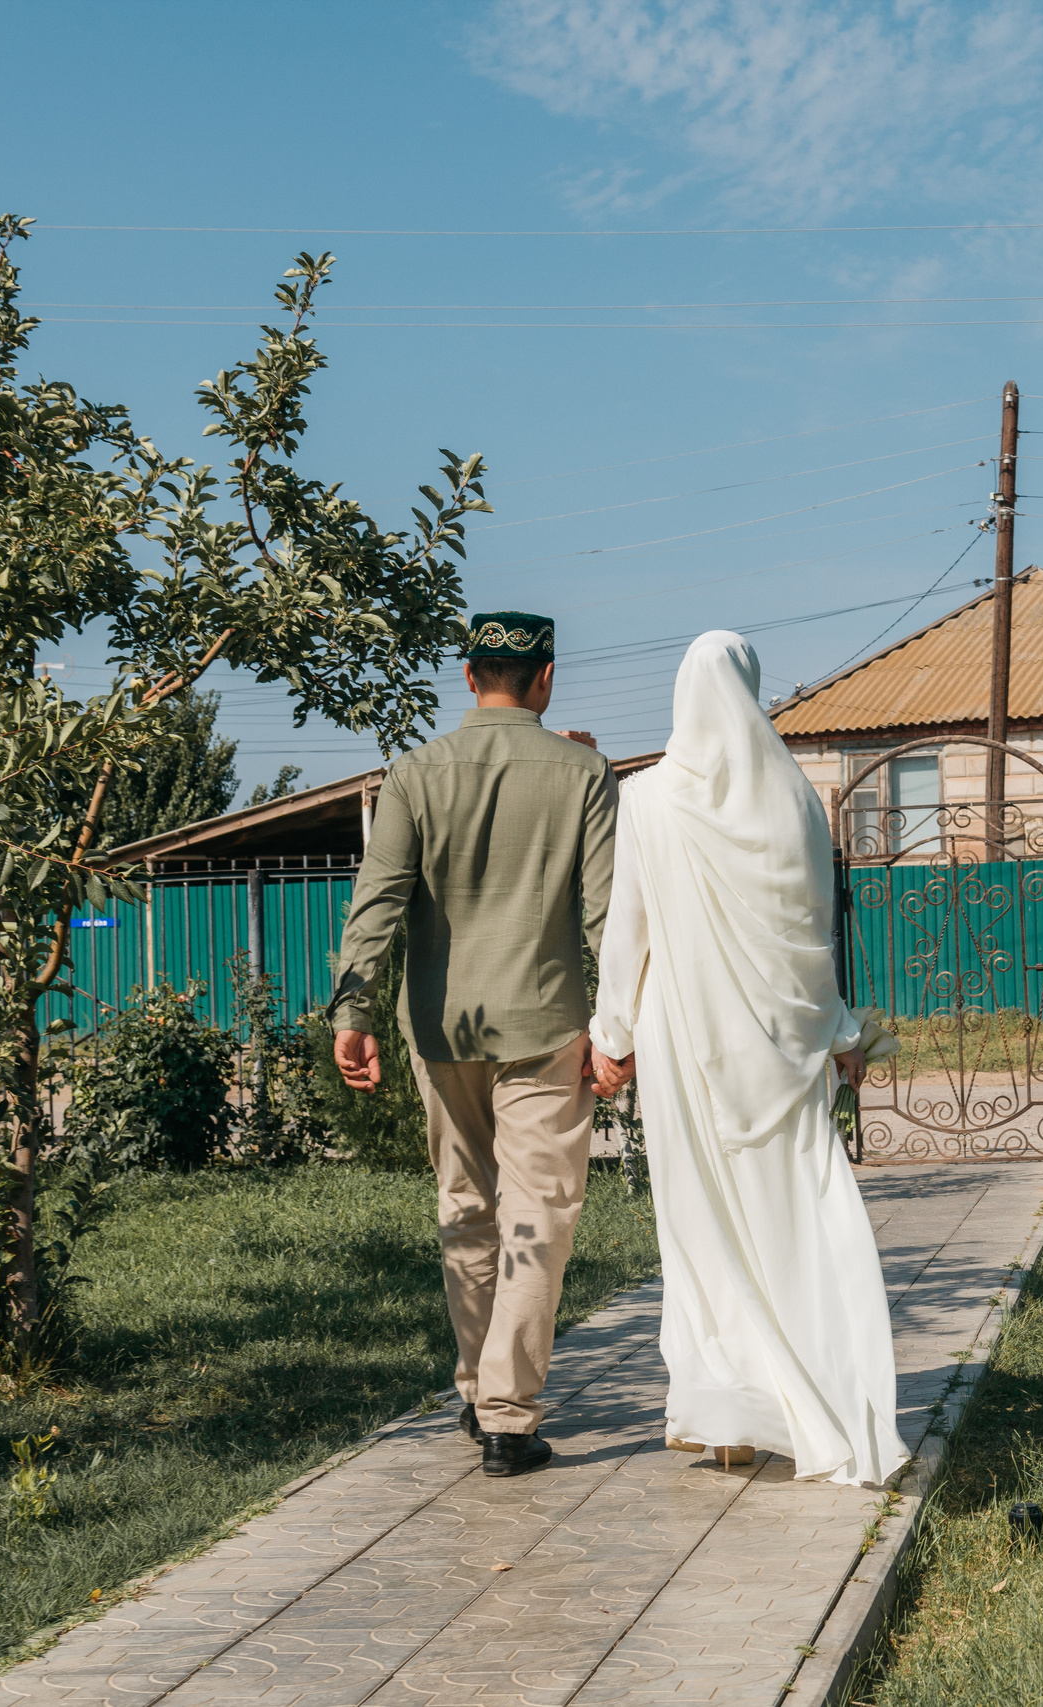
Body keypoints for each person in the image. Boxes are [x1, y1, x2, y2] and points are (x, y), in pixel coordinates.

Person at [588, 631, 907, 1487]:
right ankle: (826, 1395)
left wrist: (610, 1037)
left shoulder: (646, 800)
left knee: (702, 1227)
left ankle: (726, 1413)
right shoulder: (797, 800)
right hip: (781, 1046)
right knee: (800, 1214)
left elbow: (631, 931)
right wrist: (841, 1036)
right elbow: (815, 938)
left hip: (687, 1043)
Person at [326, 610, 619, 1478]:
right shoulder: (584, 774)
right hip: (544, 1026)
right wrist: (622, 1029)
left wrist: (354, 1012)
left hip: (441, 1029)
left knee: (466, 1205)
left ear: (467, 676)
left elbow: (377, 901)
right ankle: (506, 1414)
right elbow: (606, 913)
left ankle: (475, 1383)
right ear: (547, 677)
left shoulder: (415, 774)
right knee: (540, 1214)